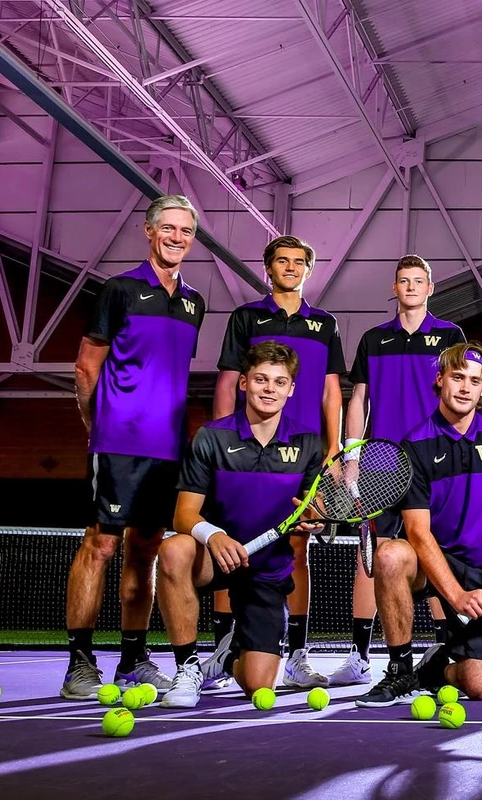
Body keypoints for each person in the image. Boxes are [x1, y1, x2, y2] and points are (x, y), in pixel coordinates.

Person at [62, 194, 206, 700]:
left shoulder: (195, 302)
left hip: (168, 447)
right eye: (168, 228)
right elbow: (85, 366)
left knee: (144, 551)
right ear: (149, 231)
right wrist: (96, 425)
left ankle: (133, 659)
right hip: (118, 441)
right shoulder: (119, 289)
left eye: (185, 231)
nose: (176, 238)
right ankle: (80, 662)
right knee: (100, 546)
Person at [356, 343, 482, 706]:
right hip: (428, 558)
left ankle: (434, 670)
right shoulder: (415, 445)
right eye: (457, 377)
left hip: (478, 569)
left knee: (479, 687)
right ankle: (400, 670)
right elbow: (418, 532)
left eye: (474, 380)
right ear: (440, 380)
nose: (465, 387)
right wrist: (455, 596)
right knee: (389, 556)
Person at [212, 235, 345, 690]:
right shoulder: (246, 316)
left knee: (297, 550)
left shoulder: (325, 324)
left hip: (302, 454)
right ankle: (225, 647)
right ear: (268, 268)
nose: (290, 268)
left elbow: (331, 391)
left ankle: (297, 653)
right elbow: (230, 381)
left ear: (309, 270)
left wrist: (334, 448)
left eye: (298, 262)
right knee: (232, 546)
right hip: (244, 449)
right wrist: (223, 441)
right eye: (282, 261)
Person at [158, 342, 323, 707]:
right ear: (244, 383)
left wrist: (315, 522)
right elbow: (183, 515)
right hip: (217, 558)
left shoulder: (308, 443)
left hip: (266, 570)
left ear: (291, 389)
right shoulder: (212, 438)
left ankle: (230, 655)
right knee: (173, 548)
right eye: (261, 379)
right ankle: (188, 667)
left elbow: (313, 510)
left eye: (280, 382)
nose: (270, 389)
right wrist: (213, 535)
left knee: (257, 686)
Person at [341, 255, 467, 685]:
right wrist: (352, 453)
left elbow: (459, 396)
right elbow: (358, 400)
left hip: (432, 460)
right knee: (373, 557)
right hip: (379, 462)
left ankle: (443, 645)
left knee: (431, 550)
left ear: (430, 288)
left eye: (418, 281)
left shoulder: (451, 336)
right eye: (403, 281)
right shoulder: (374, 339)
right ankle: (359, 655)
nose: (410, 287)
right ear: (394, 289)